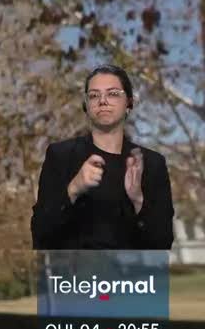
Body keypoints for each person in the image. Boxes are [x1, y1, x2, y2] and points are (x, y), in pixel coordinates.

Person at [31, 65, 174, 250]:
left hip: (134, 277)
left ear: (129, 102)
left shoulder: (152, 164)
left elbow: (162, 242)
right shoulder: (60, 156)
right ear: (86, 106)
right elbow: (40, 234)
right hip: (76, 277)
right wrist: (74, 189)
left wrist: (138, 199)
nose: (103, 101)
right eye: (94, 95)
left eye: (113, 93)